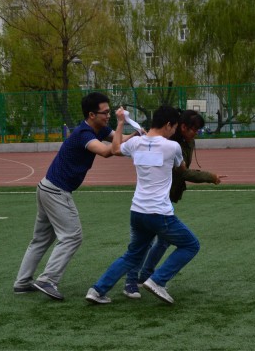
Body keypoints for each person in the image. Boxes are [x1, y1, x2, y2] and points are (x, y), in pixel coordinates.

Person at [13, 92, 137, 301]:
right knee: (72, 236)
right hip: (56, 190)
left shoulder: (99, 128)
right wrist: (120, 123)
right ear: (91, 115)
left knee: (41, 239)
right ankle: (47, 279)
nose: (108, 115)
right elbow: (108, 151)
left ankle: (22, 282)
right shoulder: (83, 133)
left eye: (109, 112)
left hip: (46, 187)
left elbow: (120, 140)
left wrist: (137, 134)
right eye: (105, 112)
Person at [85, 105, 200, 305]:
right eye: (174, 128)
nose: (174, 131)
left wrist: (120, 123)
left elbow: (115, 149)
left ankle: (97, 290)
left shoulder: (136, 143)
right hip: (159, 212)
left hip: (137, 211)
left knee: (132, 256)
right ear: (168, 125)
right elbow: (181, 167)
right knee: (191, 245)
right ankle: (158, 280)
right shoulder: (173, 147)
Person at [122, 110, 225, 299]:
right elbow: (182, 172)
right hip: (151, 200)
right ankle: (131, 281)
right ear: (182, 127)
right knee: (144, 242)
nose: (196, 133)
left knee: (163, 240)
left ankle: (145, 276)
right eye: (194, 129)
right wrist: (210, 177)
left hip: (165, 197)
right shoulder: (170, 143)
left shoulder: (185, 141)